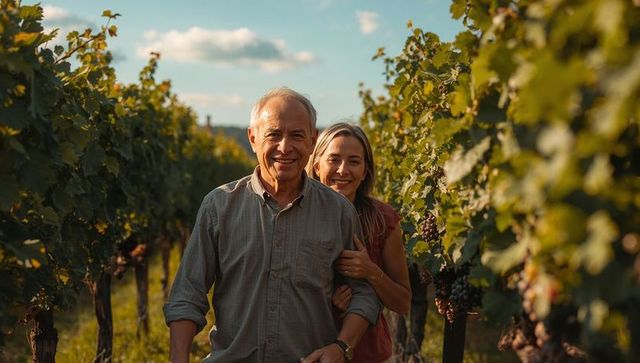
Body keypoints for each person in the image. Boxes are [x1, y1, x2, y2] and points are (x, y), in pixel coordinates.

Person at [164, 88, 381, 363]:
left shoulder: (339, 213)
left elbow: (363, 293)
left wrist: (341, 346)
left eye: (297, 135)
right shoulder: (218, 207)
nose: (285, 147)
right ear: (253, 139)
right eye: (274, 134)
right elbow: (187, 295)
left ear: (313, 141)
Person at [307, 122, 412, 363]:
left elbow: (403, 302)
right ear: (316, 165)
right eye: (334, 159)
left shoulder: (383, 220)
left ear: (365, 171)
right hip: (308, 349)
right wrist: (328, 302)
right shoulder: (298, 216)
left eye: (354, 161)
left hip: (368, 354)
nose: (342, 170)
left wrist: (371, 272)